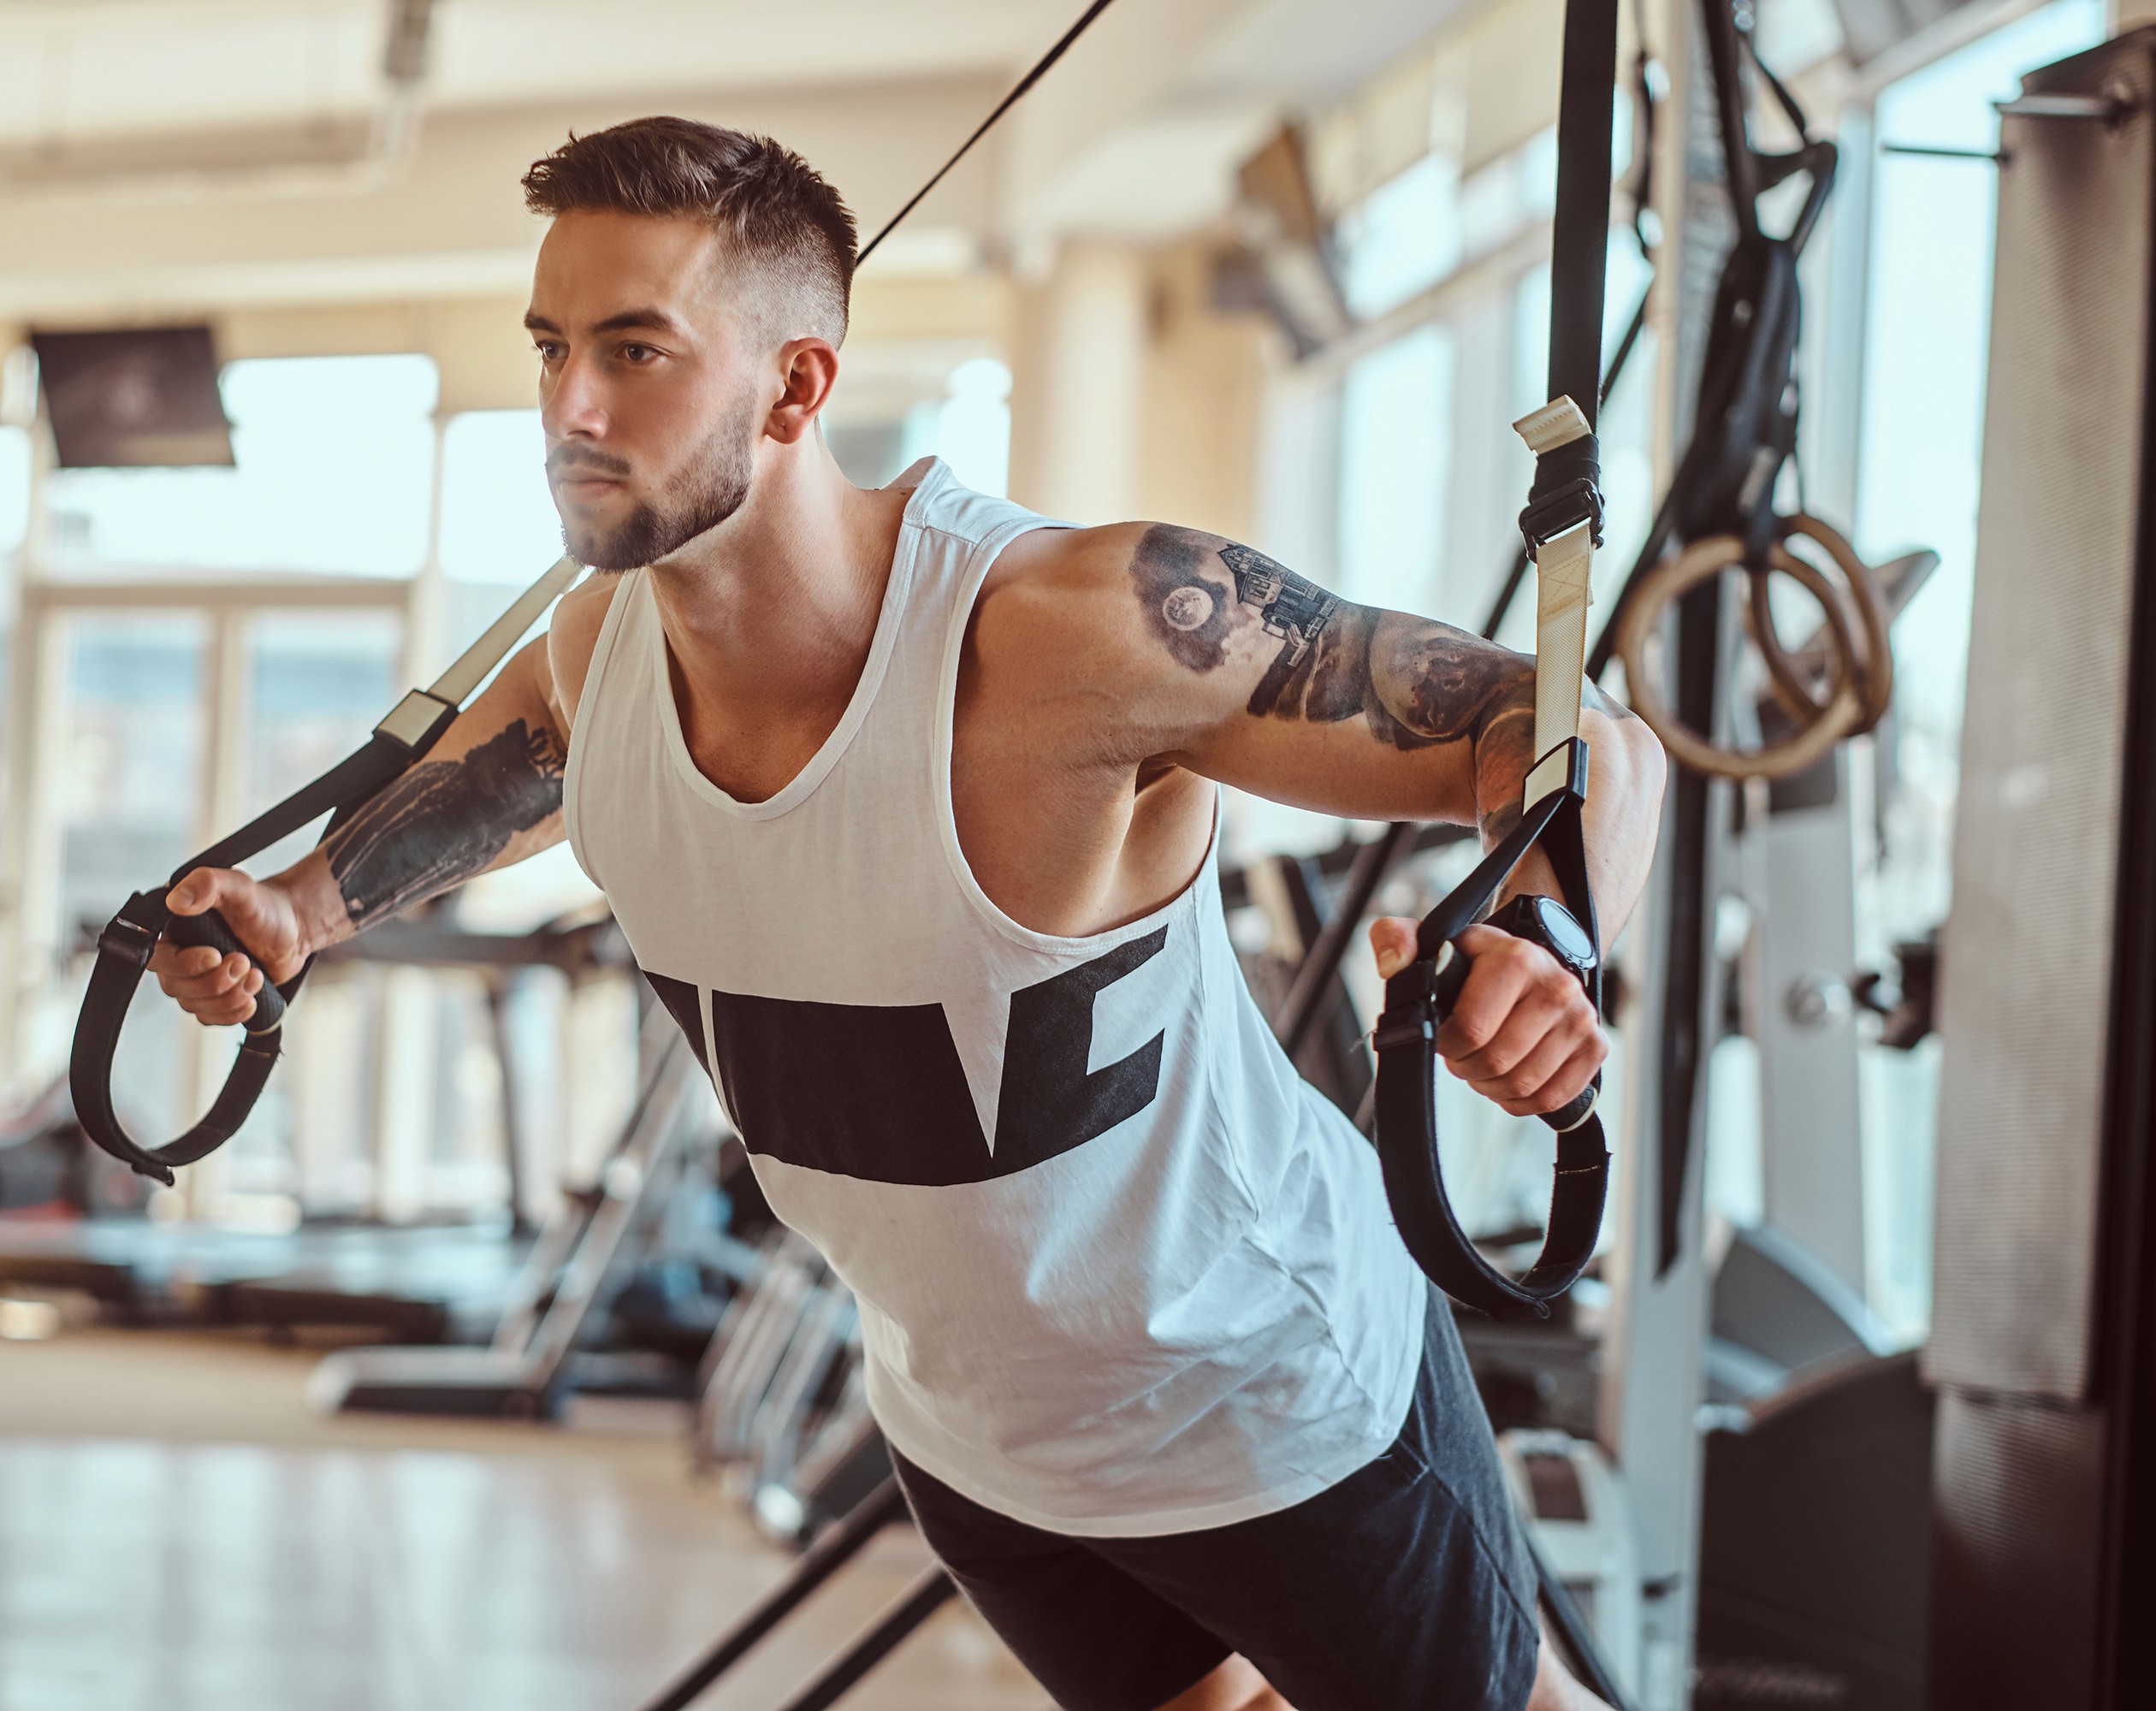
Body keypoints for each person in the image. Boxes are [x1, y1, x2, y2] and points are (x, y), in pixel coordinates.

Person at [151, 116, 1664, 1711]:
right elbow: (525, 751)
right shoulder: (600, 657)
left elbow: (1569, 732)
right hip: (980, 1443)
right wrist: (302, 908)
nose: (570, 411)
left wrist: (1542, 939)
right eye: (551, 349)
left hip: (1271, 1398)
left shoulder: (1084, 630)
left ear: (796, 388)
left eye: (636, 352)